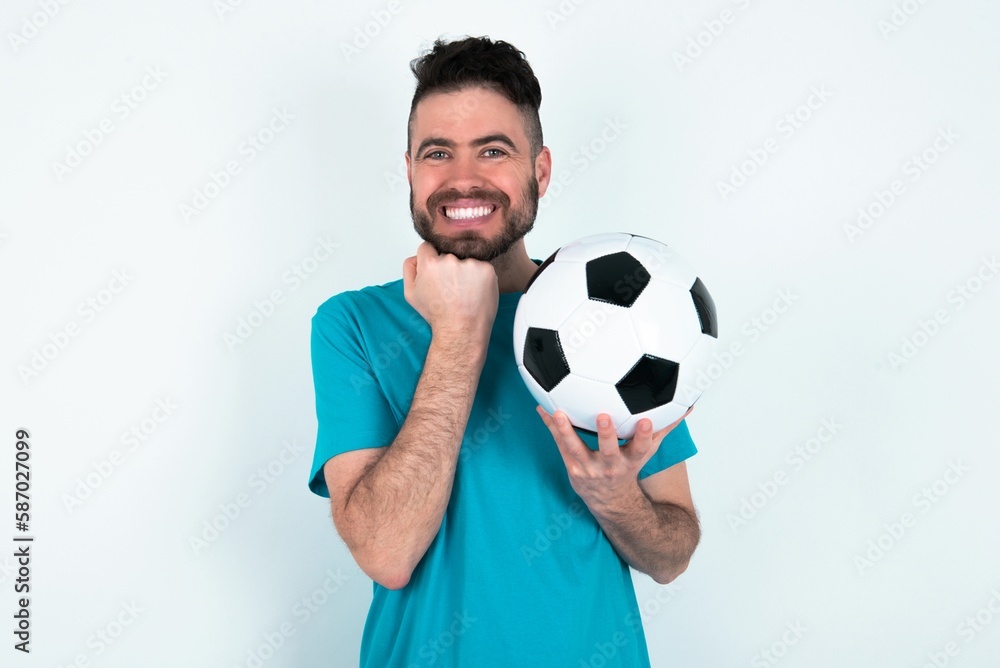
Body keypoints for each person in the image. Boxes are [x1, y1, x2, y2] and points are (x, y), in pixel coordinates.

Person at [307, 35, 702, 667]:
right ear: (410, 171)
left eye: (494, 150)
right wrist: (461, 333)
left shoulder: (623, 309)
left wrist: (617, 500)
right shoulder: (352, 324)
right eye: (438, 153)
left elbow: (673, 554)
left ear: (539, 171)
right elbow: (387, 552)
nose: (463, 179)